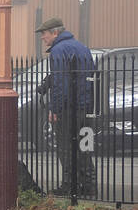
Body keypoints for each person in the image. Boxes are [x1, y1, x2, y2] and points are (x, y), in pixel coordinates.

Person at [36, 17, 97, 197]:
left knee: (66, 147)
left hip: (69, 108)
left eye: (44, 33)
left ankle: (69, 185)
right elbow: (86, 75)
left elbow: (61, 82)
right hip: (86, 105)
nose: (42, 37)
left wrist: (54, 109)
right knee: (84, 146)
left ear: (55, 32)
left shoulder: (58, 50)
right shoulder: (82, 47)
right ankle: (89, 185)